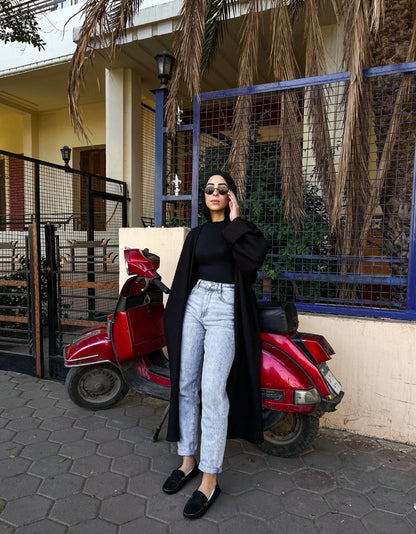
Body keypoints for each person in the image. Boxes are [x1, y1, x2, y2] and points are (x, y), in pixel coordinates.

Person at [162, 170, 269, 519]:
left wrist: (236, 222)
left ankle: (210, 479)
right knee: (187, 384)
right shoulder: (198, 234)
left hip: (226, 309)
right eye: (209, 188)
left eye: (222, 189)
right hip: (196, 304)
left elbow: (252, 263)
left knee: (212, 390)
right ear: (204, 196)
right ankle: (187, 460)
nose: (214, 193)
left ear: (231, 196)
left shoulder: (243, 232)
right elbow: (184, 276)